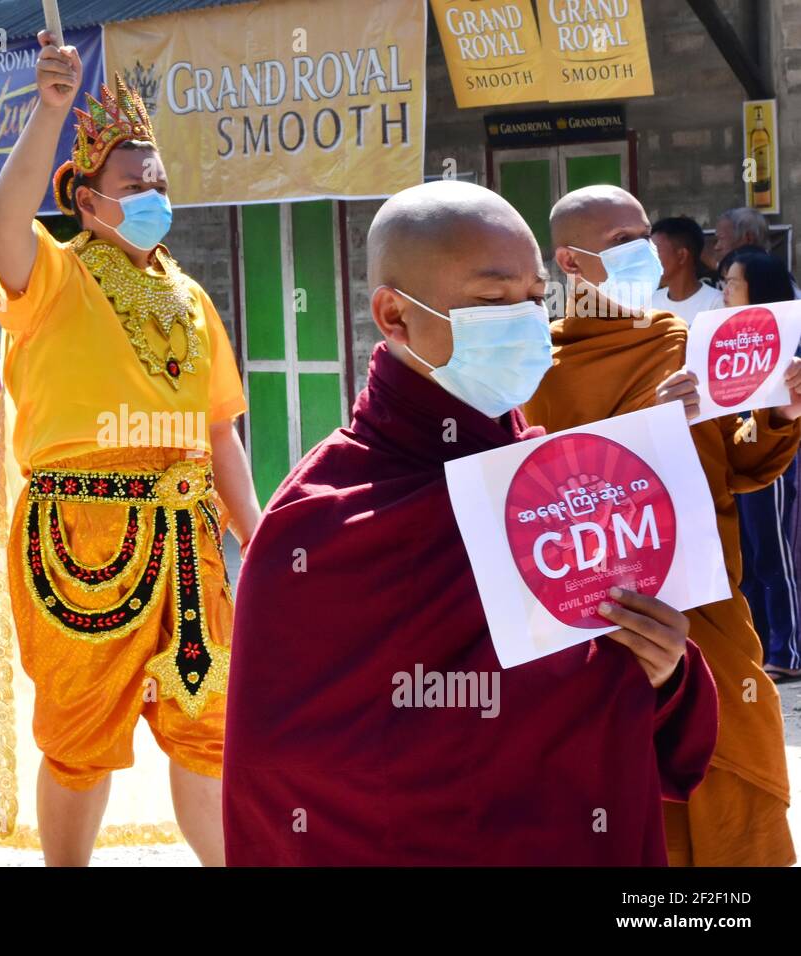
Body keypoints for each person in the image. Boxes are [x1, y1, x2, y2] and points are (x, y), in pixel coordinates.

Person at [222, 181, 718, 865]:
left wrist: (665, 672)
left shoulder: (556, 485)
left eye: (533, 298)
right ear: (395, 317)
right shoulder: (321, 521)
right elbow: (283, 778)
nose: (523, 320)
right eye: (491, 301)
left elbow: (625, 691)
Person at [0, 32, 262, 867]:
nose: (151, 196)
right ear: (87, 198)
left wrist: (256, 530)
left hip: (188, 538)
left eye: (160, 184)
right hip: (80, 535)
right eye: (133, 185)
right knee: (79, 736)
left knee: (207, 725)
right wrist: (50, 111)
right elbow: (4, 217)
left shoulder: (190, 294)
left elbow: (220, 431)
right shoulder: (53, 278)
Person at [523, 184, 800, 867]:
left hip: (711, 615)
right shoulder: (537, 373)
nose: (642, 253)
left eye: (643, 236)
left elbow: (745, 462)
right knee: (641, 818)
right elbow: (530, 507)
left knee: (737, 801)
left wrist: (781, 411)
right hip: (609, 631)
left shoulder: (687, 344)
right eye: (620, 242)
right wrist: (642, 432)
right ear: (571, 261)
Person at [722, 250, 801, 683]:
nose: (726, 291)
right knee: (748, 557)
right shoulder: (730, 337)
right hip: (739, 457)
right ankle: (761, 644)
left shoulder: (788, 338)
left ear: (759, 287)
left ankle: (788, 651)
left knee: (776, 556)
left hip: (776, 461)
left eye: (733, 282)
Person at [651, 217, 723, 322]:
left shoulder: (716, 303)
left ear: (682, 255)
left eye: (655, 251)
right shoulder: (650, 303)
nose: (649, 259)